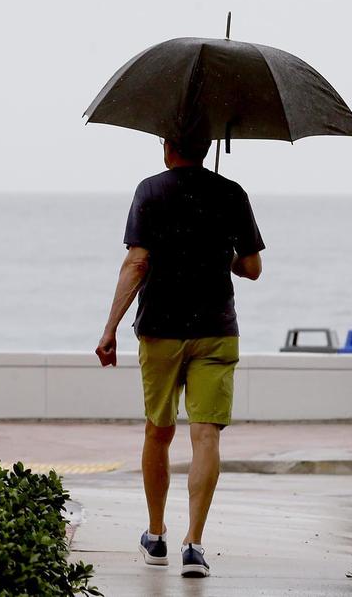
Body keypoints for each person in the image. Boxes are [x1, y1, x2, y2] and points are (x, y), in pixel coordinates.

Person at [95, 133, 264, 578]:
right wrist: (220, 255)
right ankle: (195, 544)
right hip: (216, 331)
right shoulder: (232, 193)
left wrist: (110, 327)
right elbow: (252, 268)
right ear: (207, 147)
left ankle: (156, 537)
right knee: (206, 435)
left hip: (161, 330)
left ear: (168, 146)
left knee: (159, 430)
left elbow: (137, 262)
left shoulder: (150, 190)